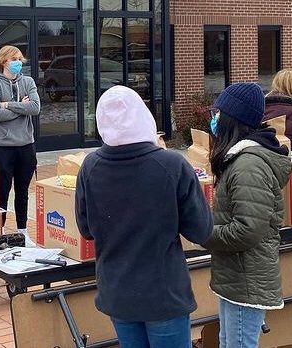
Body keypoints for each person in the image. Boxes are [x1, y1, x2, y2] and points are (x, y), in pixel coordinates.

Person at [75, 86, 213, 347]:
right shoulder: (172, 165)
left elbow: (86, 229)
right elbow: (201, 230)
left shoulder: (90, 167)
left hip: (117, 291)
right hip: (163, 293)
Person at [202, 82, 291, 348]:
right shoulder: (240, 159)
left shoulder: (248, 164)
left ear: (232, 119)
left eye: (218, 113)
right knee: (229, 341)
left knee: (239, 343)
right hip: (236, 275)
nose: (214, 119)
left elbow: (248, 229)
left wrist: (205, 232)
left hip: (246, 276)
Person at [0, 45, 40, 247]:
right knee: (2, 191)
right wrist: (20, 106)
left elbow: (35, 108)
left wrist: (8, 104)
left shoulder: (28, 81)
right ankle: (0, 232)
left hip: (26, 146)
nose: (18, 62)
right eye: (14, 59)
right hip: (3, 147)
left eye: (20, 58)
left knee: (23, 191)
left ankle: (22, 232)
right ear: (3, 62)